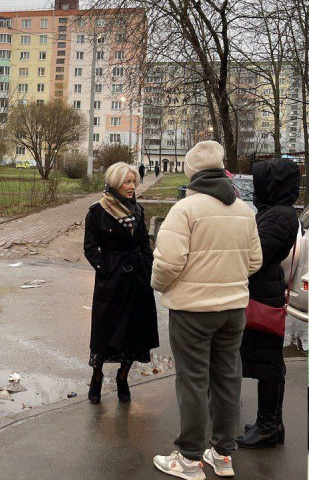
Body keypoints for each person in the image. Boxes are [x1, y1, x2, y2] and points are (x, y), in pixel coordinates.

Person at [151, 141, 262, 480]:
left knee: (193, 382)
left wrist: (161, 285)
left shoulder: (186, 209)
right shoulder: (244, 209)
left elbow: (167, 264)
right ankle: (224, 454)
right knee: (227, 379)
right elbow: (255, 261)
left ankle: (188, 459)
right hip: (233, 310)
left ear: (191, 171)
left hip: (192, 312)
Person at [237, 159, 300, 449]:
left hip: (263, 293)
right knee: (270, 361)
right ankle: (274, 423)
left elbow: (255, 257)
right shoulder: (279, 212)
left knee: (268, 363)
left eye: (263, 180)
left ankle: (267, 427)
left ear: (273, 184)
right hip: (266, 290)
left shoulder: (277, 216)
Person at [84, 162, 159, 405]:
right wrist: (103, 269)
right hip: (112, 278)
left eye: (133, 181)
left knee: (135, 330)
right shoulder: (96, 212)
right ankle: (97, 376)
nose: (132, 186)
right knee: (105, 328)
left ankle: (123, 377)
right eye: (127, 181)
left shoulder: (138, 209)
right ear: (115, 182)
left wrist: (146, 265)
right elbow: (90, 248)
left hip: (137, 276)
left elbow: (145, 242)